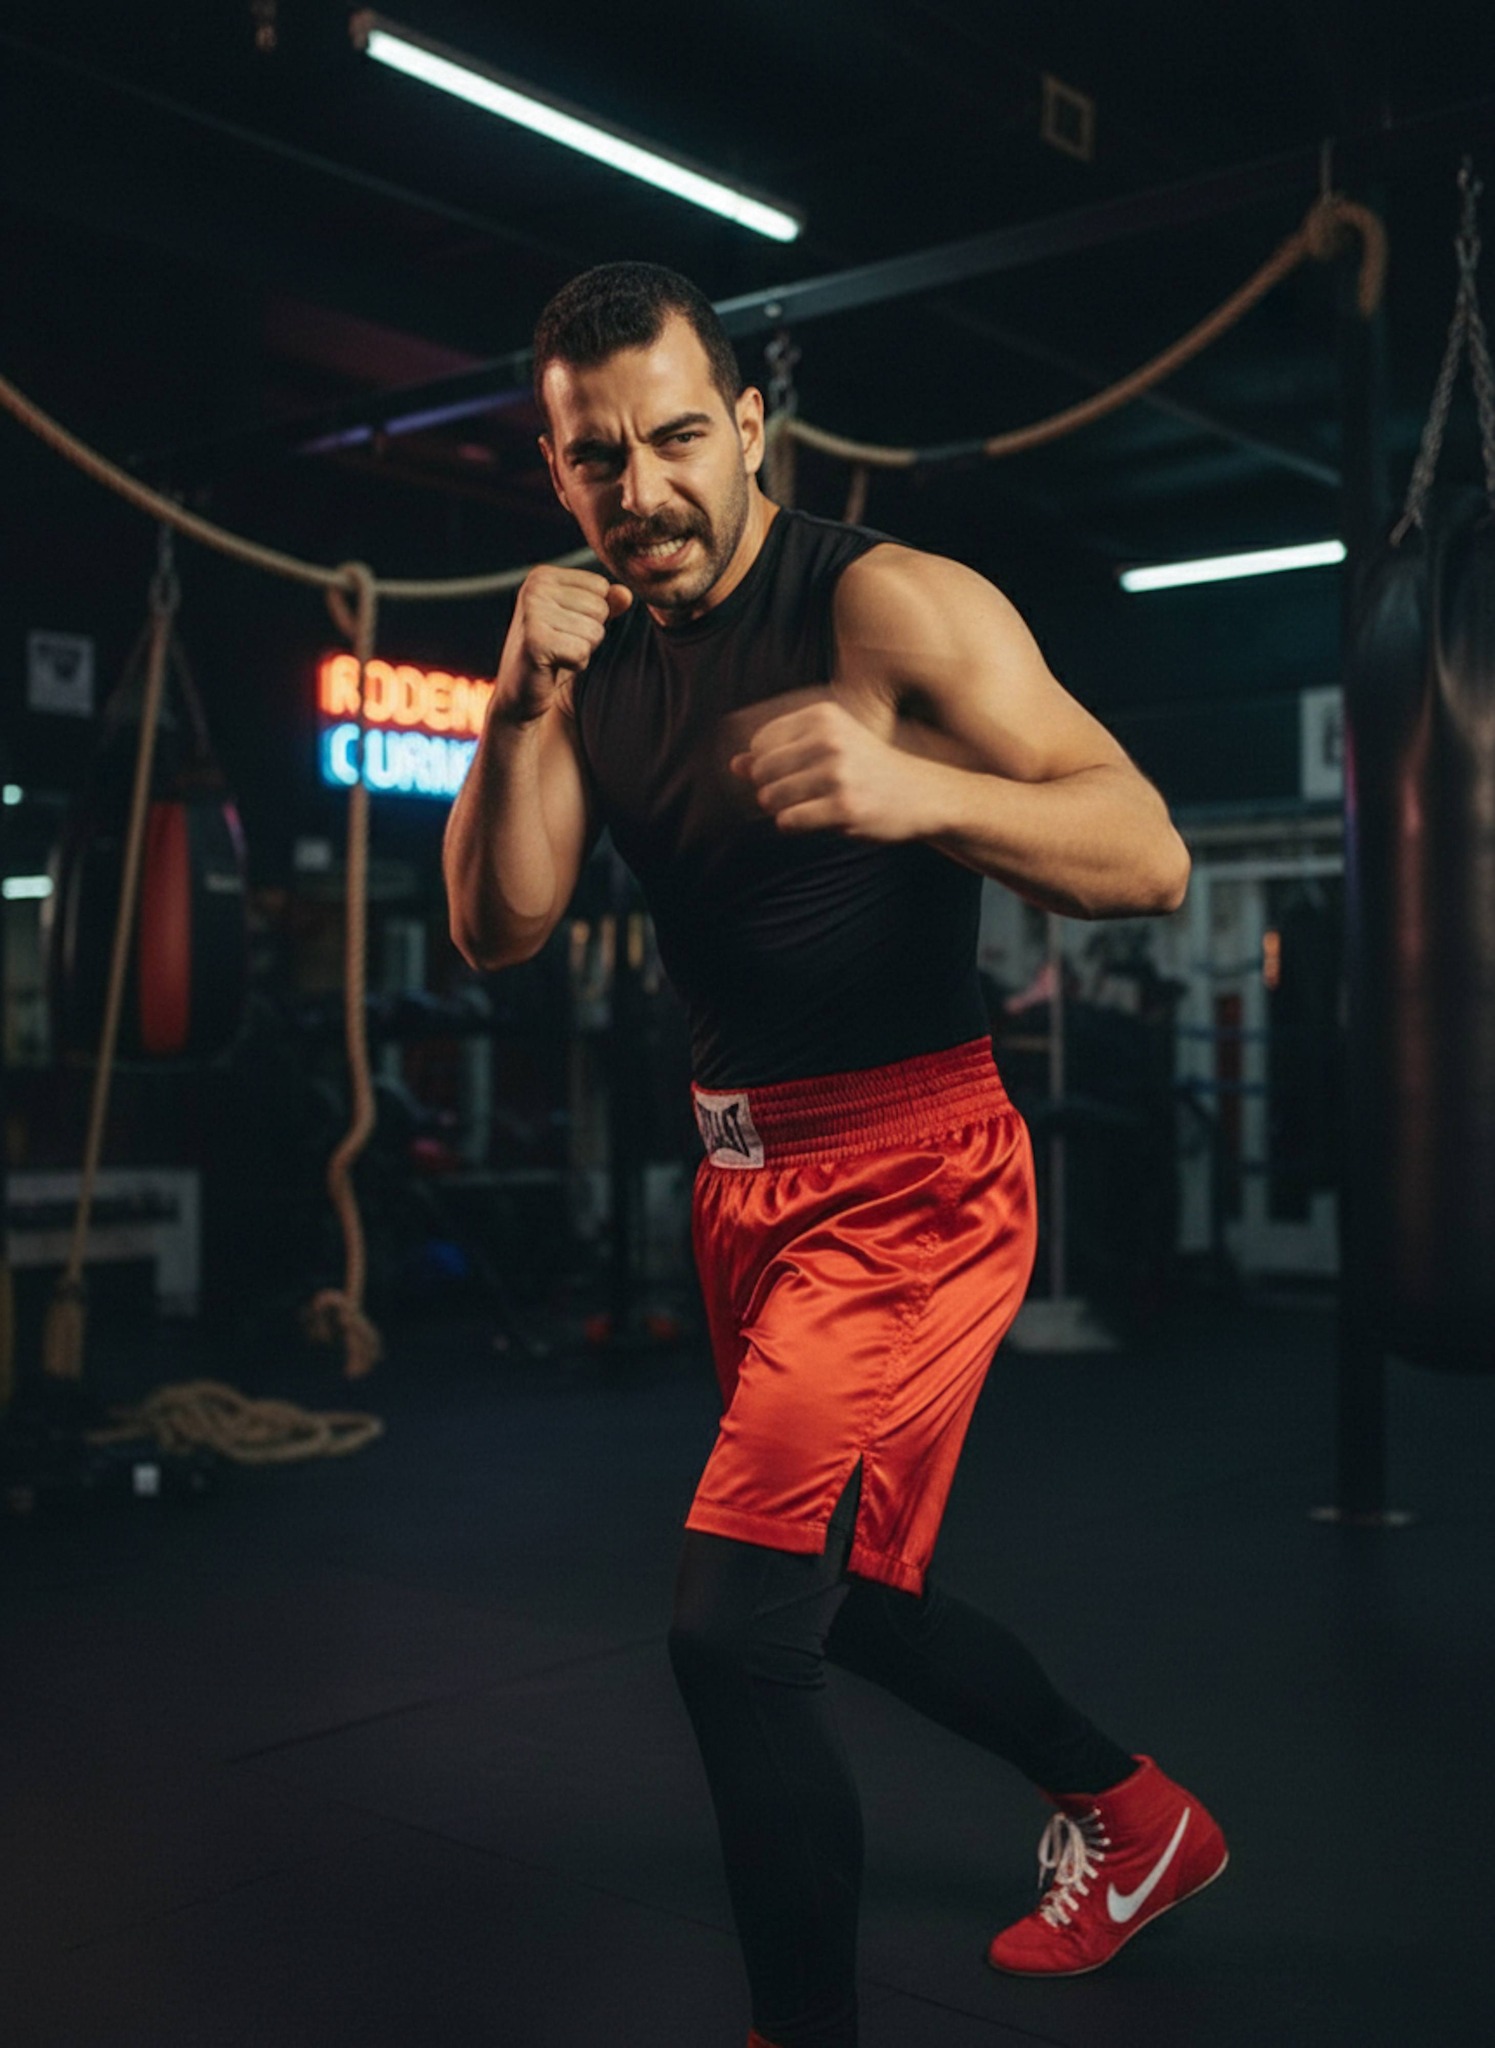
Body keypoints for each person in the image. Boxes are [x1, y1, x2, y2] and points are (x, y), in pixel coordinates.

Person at [443, 262, 1227, 2048]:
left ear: (747, 427)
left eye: (670, 438)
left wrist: (918, 794)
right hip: (748, 1191)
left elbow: (1150, 849)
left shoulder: (888, 608)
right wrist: (510, 708)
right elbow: (501, 924)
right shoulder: (586, 654)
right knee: (842, 1599)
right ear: (556, 471)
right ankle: (1140, 1823)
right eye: (593, 458)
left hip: (915, 1181)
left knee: (730, 1636)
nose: (638, 486)